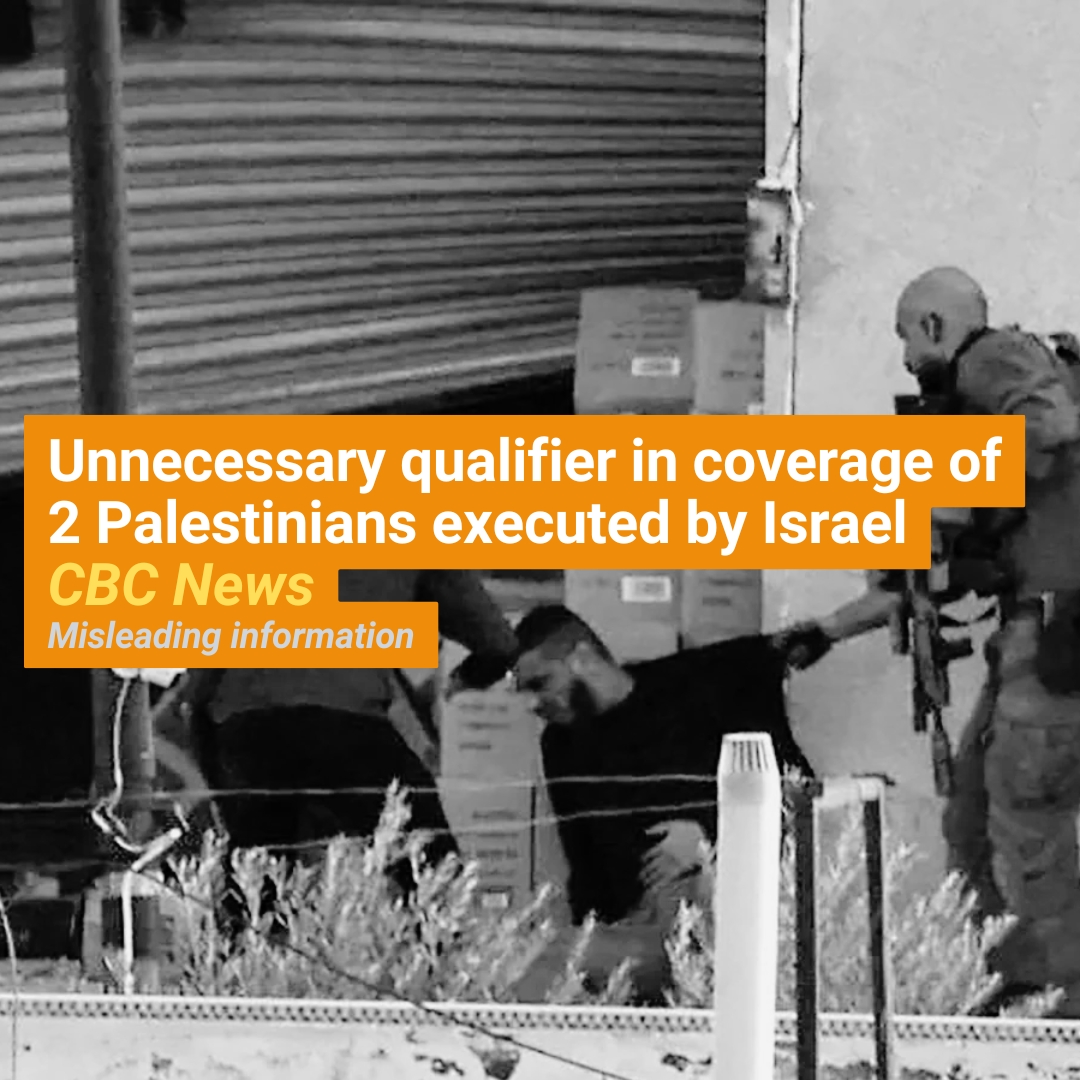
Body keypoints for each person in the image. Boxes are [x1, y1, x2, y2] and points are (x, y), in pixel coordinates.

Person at [786, 267, 1080, 1017]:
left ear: (935, 326)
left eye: (907, 338)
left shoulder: (991, 356)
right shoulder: (985, 408)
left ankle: (1057, 1011)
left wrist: (953, 487)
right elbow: (920, 579)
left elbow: (1050, 429)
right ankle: (1005, 983)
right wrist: (826, 631)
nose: (906, 358)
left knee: (1026, 824)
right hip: (1032, 640)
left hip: (1058, 638)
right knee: (970, 816)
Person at [159, 569, 519, 933]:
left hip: (251, 725)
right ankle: (444, 955)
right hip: (350, 721)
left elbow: (204, 671)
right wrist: (462, 681)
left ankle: (239, 954)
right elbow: (498, 643)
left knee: (254, 887)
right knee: (433, 874)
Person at [508, 603, 817, 1003]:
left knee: (549, 961)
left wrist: (707, 837)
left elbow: (793, 796)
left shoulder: (693, 695)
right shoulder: (561, 744)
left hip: (721, 922)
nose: (533, 704)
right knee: (534, 955)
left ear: (582, 658)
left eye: (540, 683)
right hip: (636, 928)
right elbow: (582, 860)